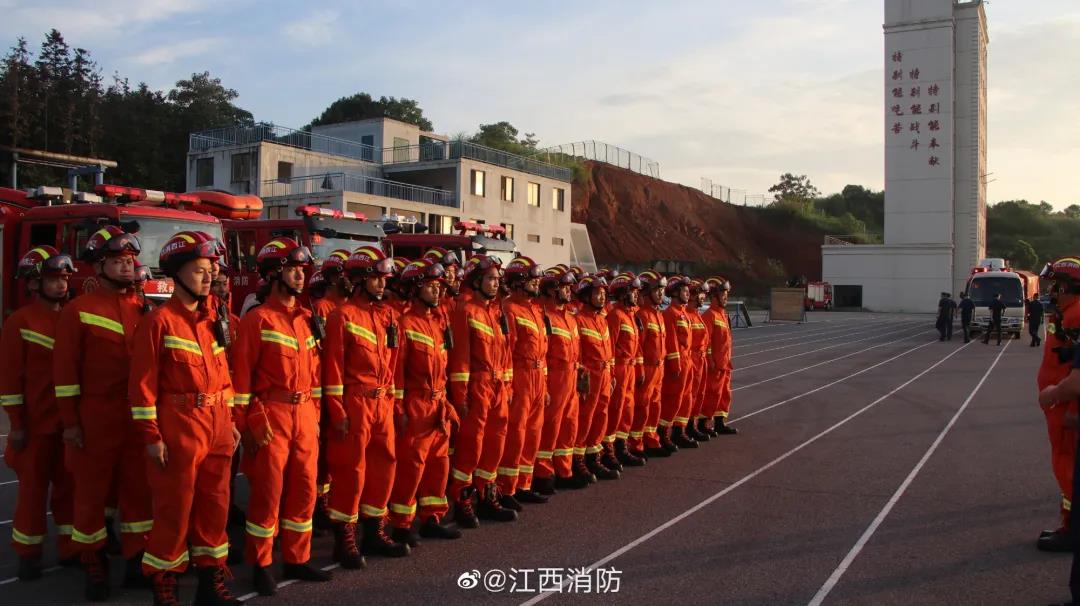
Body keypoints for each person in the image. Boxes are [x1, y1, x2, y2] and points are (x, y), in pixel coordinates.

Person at [128, 231, 241, 605]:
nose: (209, 277)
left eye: (211, 270)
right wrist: (151, 436)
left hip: (218, 427)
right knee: (174, 510)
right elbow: (142, 388)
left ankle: (210, 581)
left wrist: (232, 423)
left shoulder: (213, 322)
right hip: (179, 426)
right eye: (199, 271)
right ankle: (165, 582)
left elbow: (224, 377)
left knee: (215, 506)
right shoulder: (158, 322)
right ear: (177, 274)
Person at [53, 226, 153, 600]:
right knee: (91, 496)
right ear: (99, 265)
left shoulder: (144, 310)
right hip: (95, 418)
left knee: (139, 493)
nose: (127, 268)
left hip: (137, 417)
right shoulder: (78, 312)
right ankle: (94, 565)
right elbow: (64, 376)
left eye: (130, 261)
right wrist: (71, 424)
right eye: (117, 261)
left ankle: (136, 559)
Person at [231, 238, 331, 595]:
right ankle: (260, 563)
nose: (301, 276)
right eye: (293, 270)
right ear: (274, 274)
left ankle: (297, 557)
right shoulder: (257, 320)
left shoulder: (307, 320)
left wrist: (315, 416)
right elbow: (241, 380)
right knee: (268, 494)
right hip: (271, 415)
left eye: (303, 270)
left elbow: (316, 376)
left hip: (304, 414)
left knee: (304, 490)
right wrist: (245, 424)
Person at [321, 245, 410, 565]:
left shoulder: (389, 317)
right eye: (376, 278)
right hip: (355, 403)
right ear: (359, 279)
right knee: (350, 472)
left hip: (382, 402)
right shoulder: (341, 316)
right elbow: (332, 367)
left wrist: (396, 404)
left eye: (384, 279)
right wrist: (337, 409)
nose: (383, 284)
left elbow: (394, 363)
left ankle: (374, 530)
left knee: (383, 467)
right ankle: (345, 537)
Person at [1, 247, 77, 581]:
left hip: (68, 425)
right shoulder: (20, 321)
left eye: (63, 278)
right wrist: (16, 424)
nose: (61, 285)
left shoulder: (72, 317)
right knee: (32, 495)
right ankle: (28, 554)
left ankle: (70, 548)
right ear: (33, 284)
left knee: (69, 490)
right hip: (34, 427)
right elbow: (10, 379)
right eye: (52, 279)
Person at [387, 259, 462, 544]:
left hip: (438, 403)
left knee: (438, 464)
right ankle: (402, 524)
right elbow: (397, 372)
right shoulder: (405, 324)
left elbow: (444, 366)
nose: (437, 292)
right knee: (412, 466)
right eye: (431, 287)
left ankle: (432, 517)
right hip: (416, 404)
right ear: (416, 288)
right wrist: (400, 409)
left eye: (439, 287)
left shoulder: (437, 323)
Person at [446, 255, 517, 526]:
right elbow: (461, 358)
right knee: (471, 447)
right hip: (478, 385)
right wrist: (461, 395)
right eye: (490, 279)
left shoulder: (496, 311)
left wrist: (508, 386)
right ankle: (463, 500)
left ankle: (487, 496)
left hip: (498, 386)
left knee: (495, 444)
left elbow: (506, 353)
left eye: (498, 280)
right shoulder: (465, 310)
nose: (495, 284)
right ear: (476, 281)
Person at [495, 257, 550, 510]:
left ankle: (524, 484)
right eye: (532, 279)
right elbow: (506, 351)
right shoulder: (509, 310)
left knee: (532, 433)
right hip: (520, 378)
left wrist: (546, 385)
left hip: (538, 379)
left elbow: (543, 351)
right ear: (518, 282)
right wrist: (508, 386)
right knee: (516, 434)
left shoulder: (536, 310)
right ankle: (507, 488)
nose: (537, 283)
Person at [1034, 258, 1080, 553]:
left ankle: (1071, 528)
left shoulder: (1076, 315)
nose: (1052, 292)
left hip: (1066, 407)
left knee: (1067, 467)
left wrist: (1066, 404)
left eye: (1056, 285)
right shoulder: (1068, 314)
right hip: (1061, 406)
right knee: (1064, 464)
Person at [532, 268, 585, 492]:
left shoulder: (570, 319)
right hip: (554, 377)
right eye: (563, 287)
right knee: (551, 426)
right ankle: (543, 472)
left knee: (569, 425)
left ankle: (564, 470)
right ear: (552, 290)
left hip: (571, 376)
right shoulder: (545, 317)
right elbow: (542, 354)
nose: (568, 291)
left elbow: (577, 351)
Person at [574, 275, 619, 481]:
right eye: (597, 294)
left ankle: (594, 456)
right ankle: (578, 459)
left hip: (604, 374)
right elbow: (577, 354)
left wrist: (611, 374)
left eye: (603, 294)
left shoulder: (602, 320)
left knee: (601, 417)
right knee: (585, 418)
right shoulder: (578, 319)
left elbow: (608, 350)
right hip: (589, 377)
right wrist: (581, 380)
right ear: (586, 296)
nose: (602, 298)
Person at [607, 273, 646, 468]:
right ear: (623, 294)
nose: (636, 295)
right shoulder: (615, 315)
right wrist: (612, 374)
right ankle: (610, 450)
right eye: (633, 291)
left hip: (630, 368)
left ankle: (622, 446)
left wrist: (639, 368)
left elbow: (637, 346)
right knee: (615, 409)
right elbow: (610, 347)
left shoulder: (630, 316)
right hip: (620, 368)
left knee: (627, 410)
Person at [634, 271, 669, 459]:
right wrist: (640, 370)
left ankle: (651, 440)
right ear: (647, 292)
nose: (661, 294)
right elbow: (638, 347)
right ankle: (637, 444)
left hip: (659, 368)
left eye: (662, 290)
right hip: (647, 368)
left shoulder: (659, 315)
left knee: (655, 407)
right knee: (643, 407)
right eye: (657, 290)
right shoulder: (642, 316)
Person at [660, 276, 696, 450]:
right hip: (678, 363)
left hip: (687, 361)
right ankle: (663, 432)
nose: (688, 293)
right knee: (673, 399)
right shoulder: (670, 314)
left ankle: (679, 430)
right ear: (674, 293)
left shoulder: (683, 313)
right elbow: (671, 341)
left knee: (686, 398)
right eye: (684, 290)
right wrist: (675, 365)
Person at [703, 277, 739, 435]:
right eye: (723, 295)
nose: (726, 298)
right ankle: (703, 424)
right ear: (714, 296)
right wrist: (711, 360)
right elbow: (707, 342)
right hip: (715, 365)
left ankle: (719, 422)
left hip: (725, 363)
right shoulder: (709, 315)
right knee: (712, 394)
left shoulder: (724, 314)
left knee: (724, 394)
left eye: (726, 295)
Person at [683, 279, 712, 442]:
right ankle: (684, 427)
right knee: (689, 395)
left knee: (698, 394)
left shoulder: (697, 315)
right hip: (692, 360)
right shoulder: (687, 315)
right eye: (701, 294)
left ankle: (691, 425)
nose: (703, 297)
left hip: (700, 360)